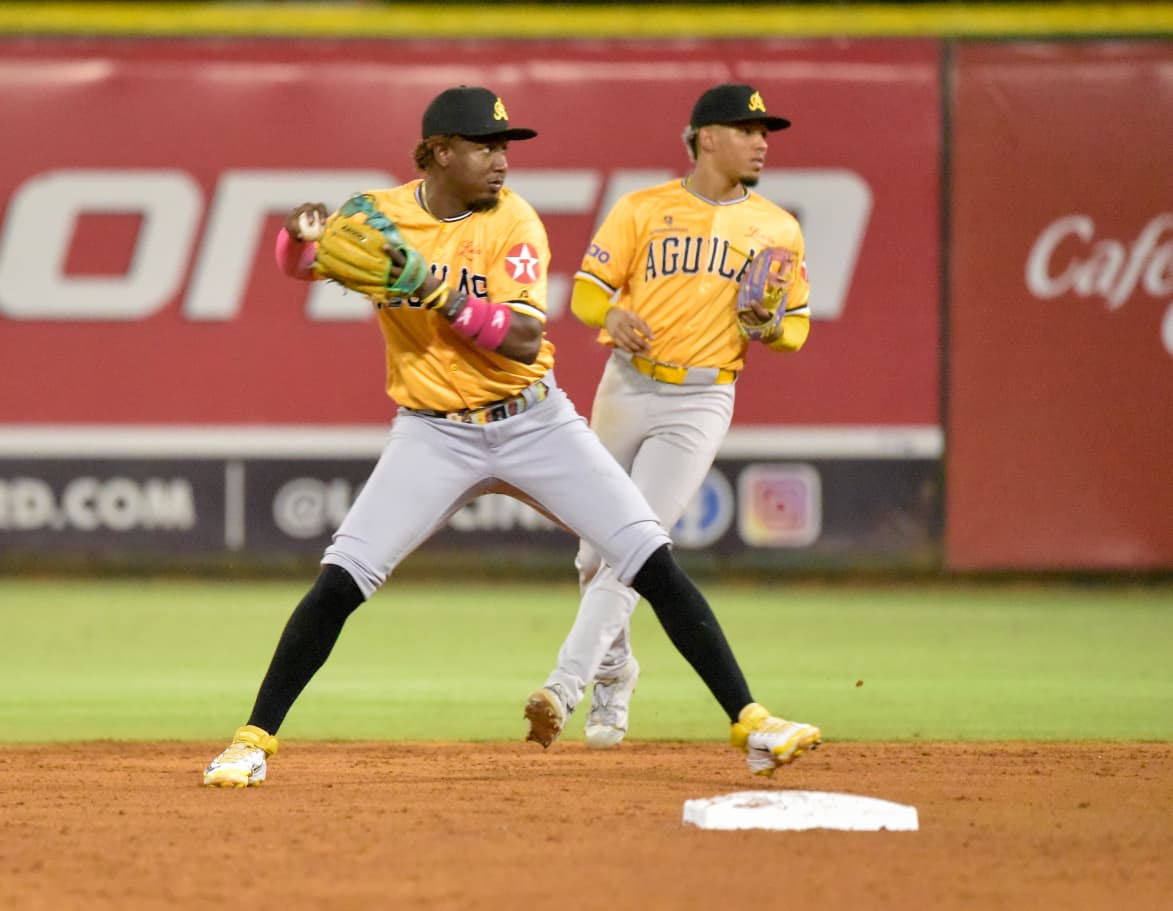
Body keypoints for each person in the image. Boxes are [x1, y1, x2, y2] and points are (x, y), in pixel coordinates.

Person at [202, 85, 820, 788]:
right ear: (437, 152)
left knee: (647, 555)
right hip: (432, 433)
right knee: (342, 577)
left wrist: (438, 291)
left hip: (534, 420)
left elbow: (524, 340)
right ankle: (251, 741)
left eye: (505, 146)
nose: (501, 160)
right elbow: (301, 262)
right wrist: (298, 230)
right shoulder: (380, 217)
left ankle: (752, 724)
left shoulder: (514, 221)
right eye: (485, 146)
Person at [524, 83, 812, 749]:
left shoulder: (776, 227)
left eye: (764, 130)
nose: (762, 141)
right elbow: (590, 293)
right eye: (747, 129)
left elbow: (794, 328)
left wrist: (769, 327)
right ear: (706, 136)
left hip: (701, 398)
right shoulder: (642, 208)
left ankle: (565, 686)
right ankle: (616, 671)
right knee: (592, 554)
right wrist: (613, 314)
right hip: (626, 385)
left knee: (633, 541)